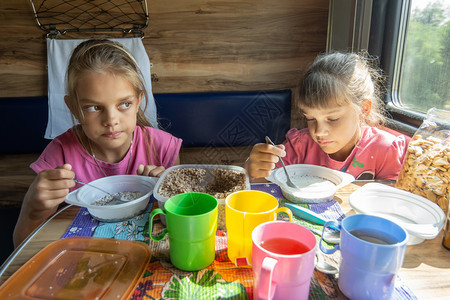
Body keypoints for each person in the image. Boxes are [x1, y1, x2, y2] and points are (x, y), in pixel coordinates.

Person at [13, 39, 182, 247]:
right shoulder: (60, 156)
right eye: (94, 107)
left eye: (125, 104)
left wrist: (167, 196)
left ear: (138, 101)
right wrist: (33, 206)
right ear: (73, 107)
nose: (111, 120)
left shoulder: (163, 149)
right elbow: (22, 246)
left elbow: (180, 229)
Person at [245, 51, 408, 182]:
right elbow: (264, 181)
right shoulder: (301, 146)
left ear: (363, 109)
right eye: (310, 119)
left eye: (333, 119)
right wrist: (252, 169)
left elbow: (391, 201)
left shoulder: (385, 150)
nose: (319, 132)